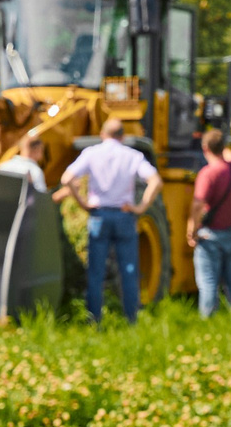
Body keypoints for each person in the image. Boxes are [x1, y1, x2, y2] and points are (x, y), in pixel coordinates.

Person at [55, 118, 160, 323]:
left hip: (99, 215)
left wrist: (83, 203)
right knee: (129, 270)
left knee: (96, 272)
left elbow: (66, 179)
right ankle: (131, 318)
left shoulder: (91, 153)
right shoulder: (133, 155)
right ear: (123, 136)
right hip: (124, 215)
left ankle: (94, 319)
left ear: (103, 134)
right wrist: (141, 207)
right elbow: (155, 181)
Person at [186, 127, 231, 317]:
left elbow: (198, 204)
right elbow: (230, 155)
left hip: (210, 235)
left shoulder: (208, 173)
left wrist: (191, 229)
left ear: (205, 148)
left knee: (208, 281)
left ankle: (208, 319)